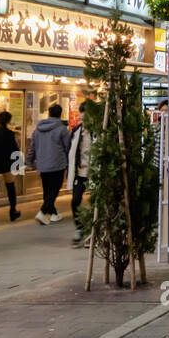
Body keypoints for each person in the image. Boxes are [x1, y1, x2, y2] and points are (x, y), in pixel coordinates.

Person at [27, 104, 71, 225]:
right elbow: (69, 147)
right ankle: (42, 212)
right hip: (57, 164)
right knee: (54, 190)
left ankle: (54, 214)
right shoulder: (62, 129)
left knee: (47, 191)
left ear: (48, 114)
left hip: (42, 165)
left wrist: (29, 161)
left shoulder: (38, 129)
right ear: (60, 114)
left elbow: (32, 147)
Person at [65, 103, 95, 247]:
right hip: (80, 172)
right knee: (75, 200)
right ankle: (79, 228)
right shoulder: (77, 131)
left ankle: (94, 232)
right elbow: (70, 152)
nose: (83, 118)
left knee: (95, 202)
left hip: (95, 171)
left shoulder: (99, 131)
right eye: (82, 116)